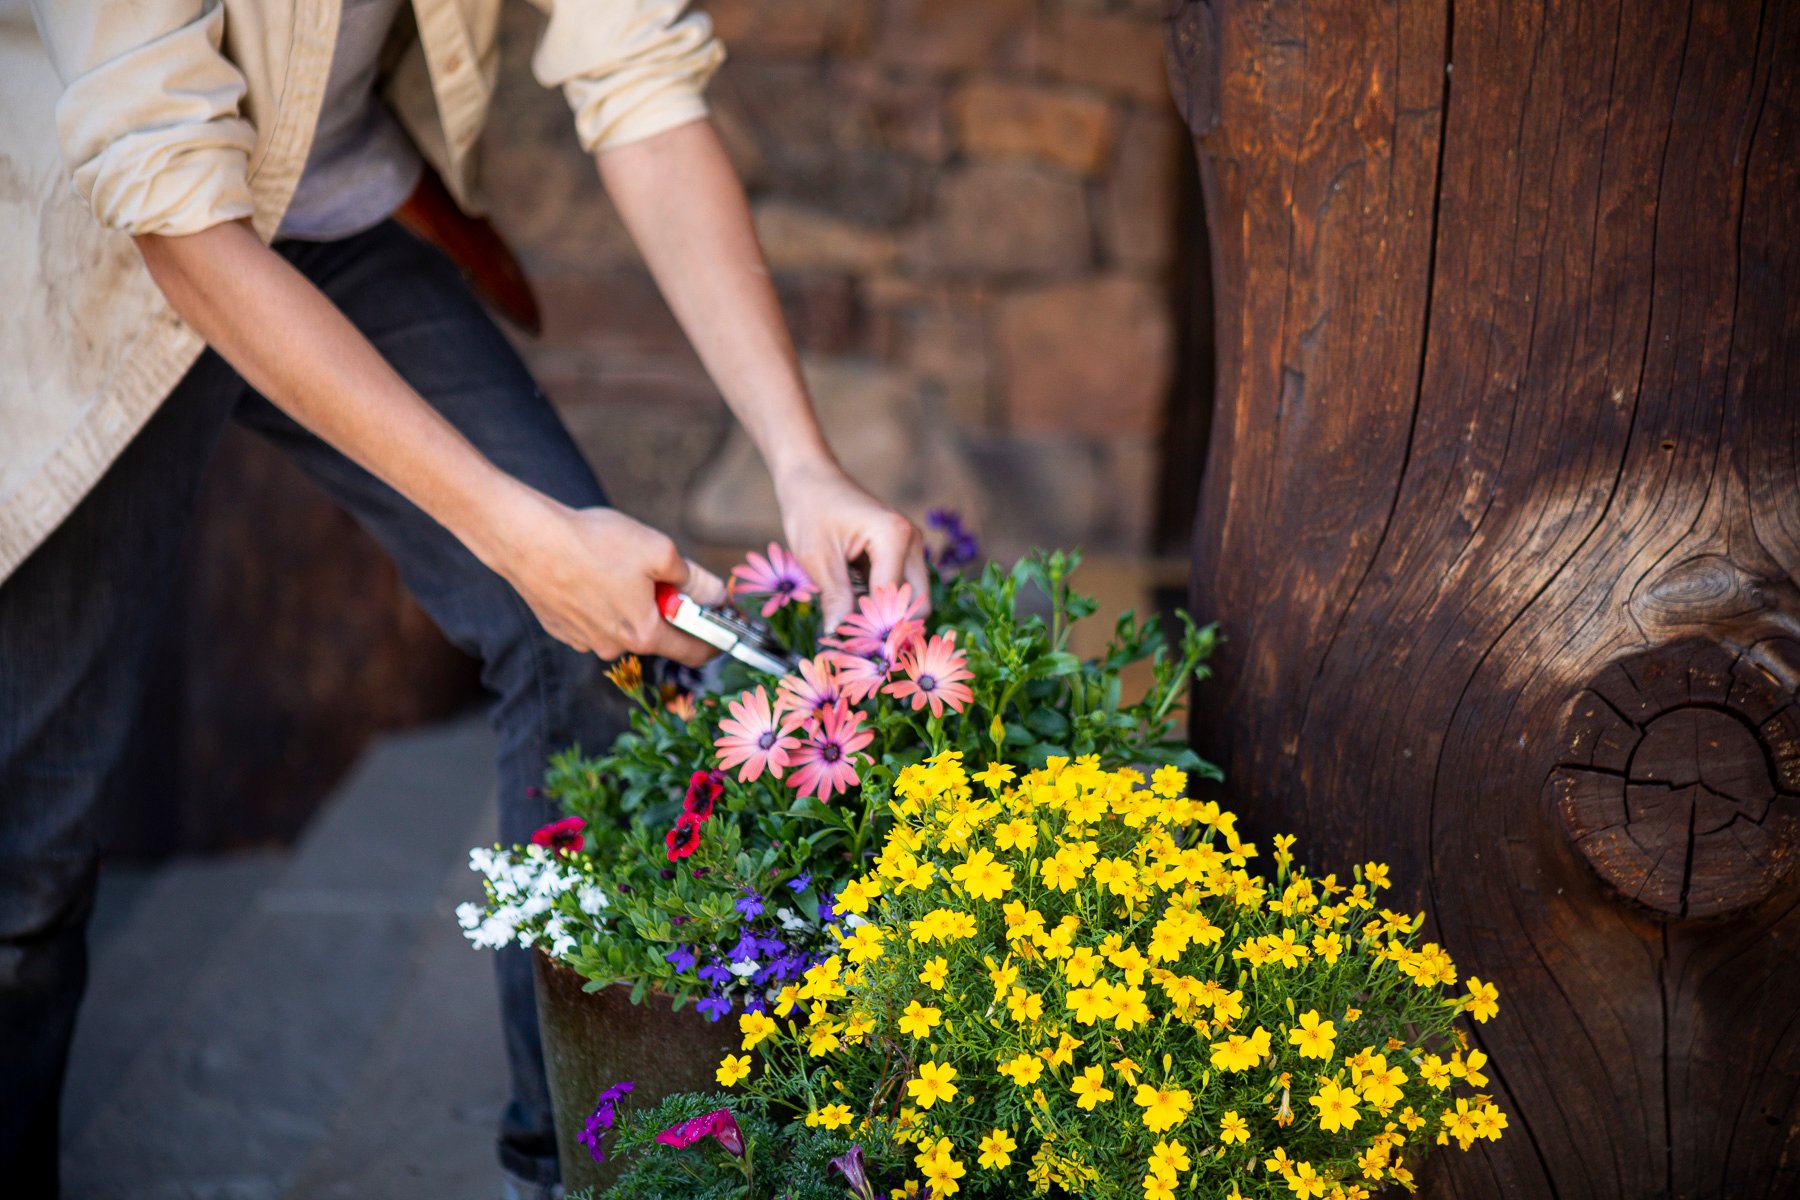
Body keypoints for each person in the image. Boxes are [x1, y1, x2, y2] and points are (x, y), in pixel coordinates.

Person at [0, 1, 927, 1196]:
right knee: (23, 867)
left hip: (330, 217)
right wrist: (517, 536)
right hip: (96, 248)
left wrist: (804, 462)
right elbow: (172, 200)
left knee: (592, 653)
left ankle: (561, 1167)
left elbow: (639, 74)